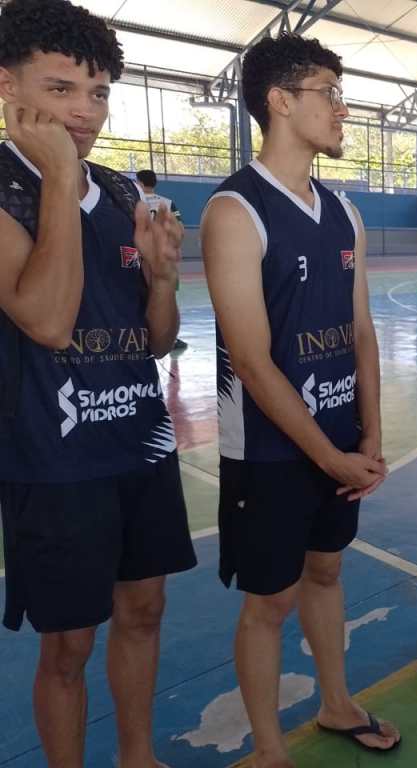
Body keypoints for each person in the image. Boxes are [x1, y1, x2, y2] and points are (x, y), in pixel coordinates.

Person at [0, 1, 197, 765]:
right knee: (69, 645)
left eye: (98, 93)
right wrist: (57, 174)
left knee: (144, 610)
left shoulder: (119, 194)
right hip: (52, 461)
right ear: (9, 86)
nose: (85, 112)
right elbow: (48, 322)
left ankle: (137, 757)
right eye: (60, 89)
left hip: (139, 443)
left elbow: (157, 341)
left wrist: (161, 277)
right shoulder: (9, 189)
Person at [200, 33, 398, 765]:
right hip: (270, 450)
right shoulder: (235, 210)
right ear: (281, 101)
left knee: (326, 569)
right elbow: (252, 363)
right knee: (269, 601)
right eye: (330, 94)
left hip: (339, 438)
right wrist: (329, 457)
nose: (343, 110)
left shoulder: (343, 212)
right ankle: (268, 749)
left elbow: (362, 331)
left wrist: (370, 436)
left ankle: (337, 702)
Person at [137, 169, 187, 352]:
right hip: (163, 257)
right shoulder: (167, 202)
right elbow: (180, 228)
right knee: (168, 296)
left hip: (139, 256)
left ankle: (141, 334)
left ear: (140, 182)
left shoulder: (134, 199)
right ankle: (170, 337)